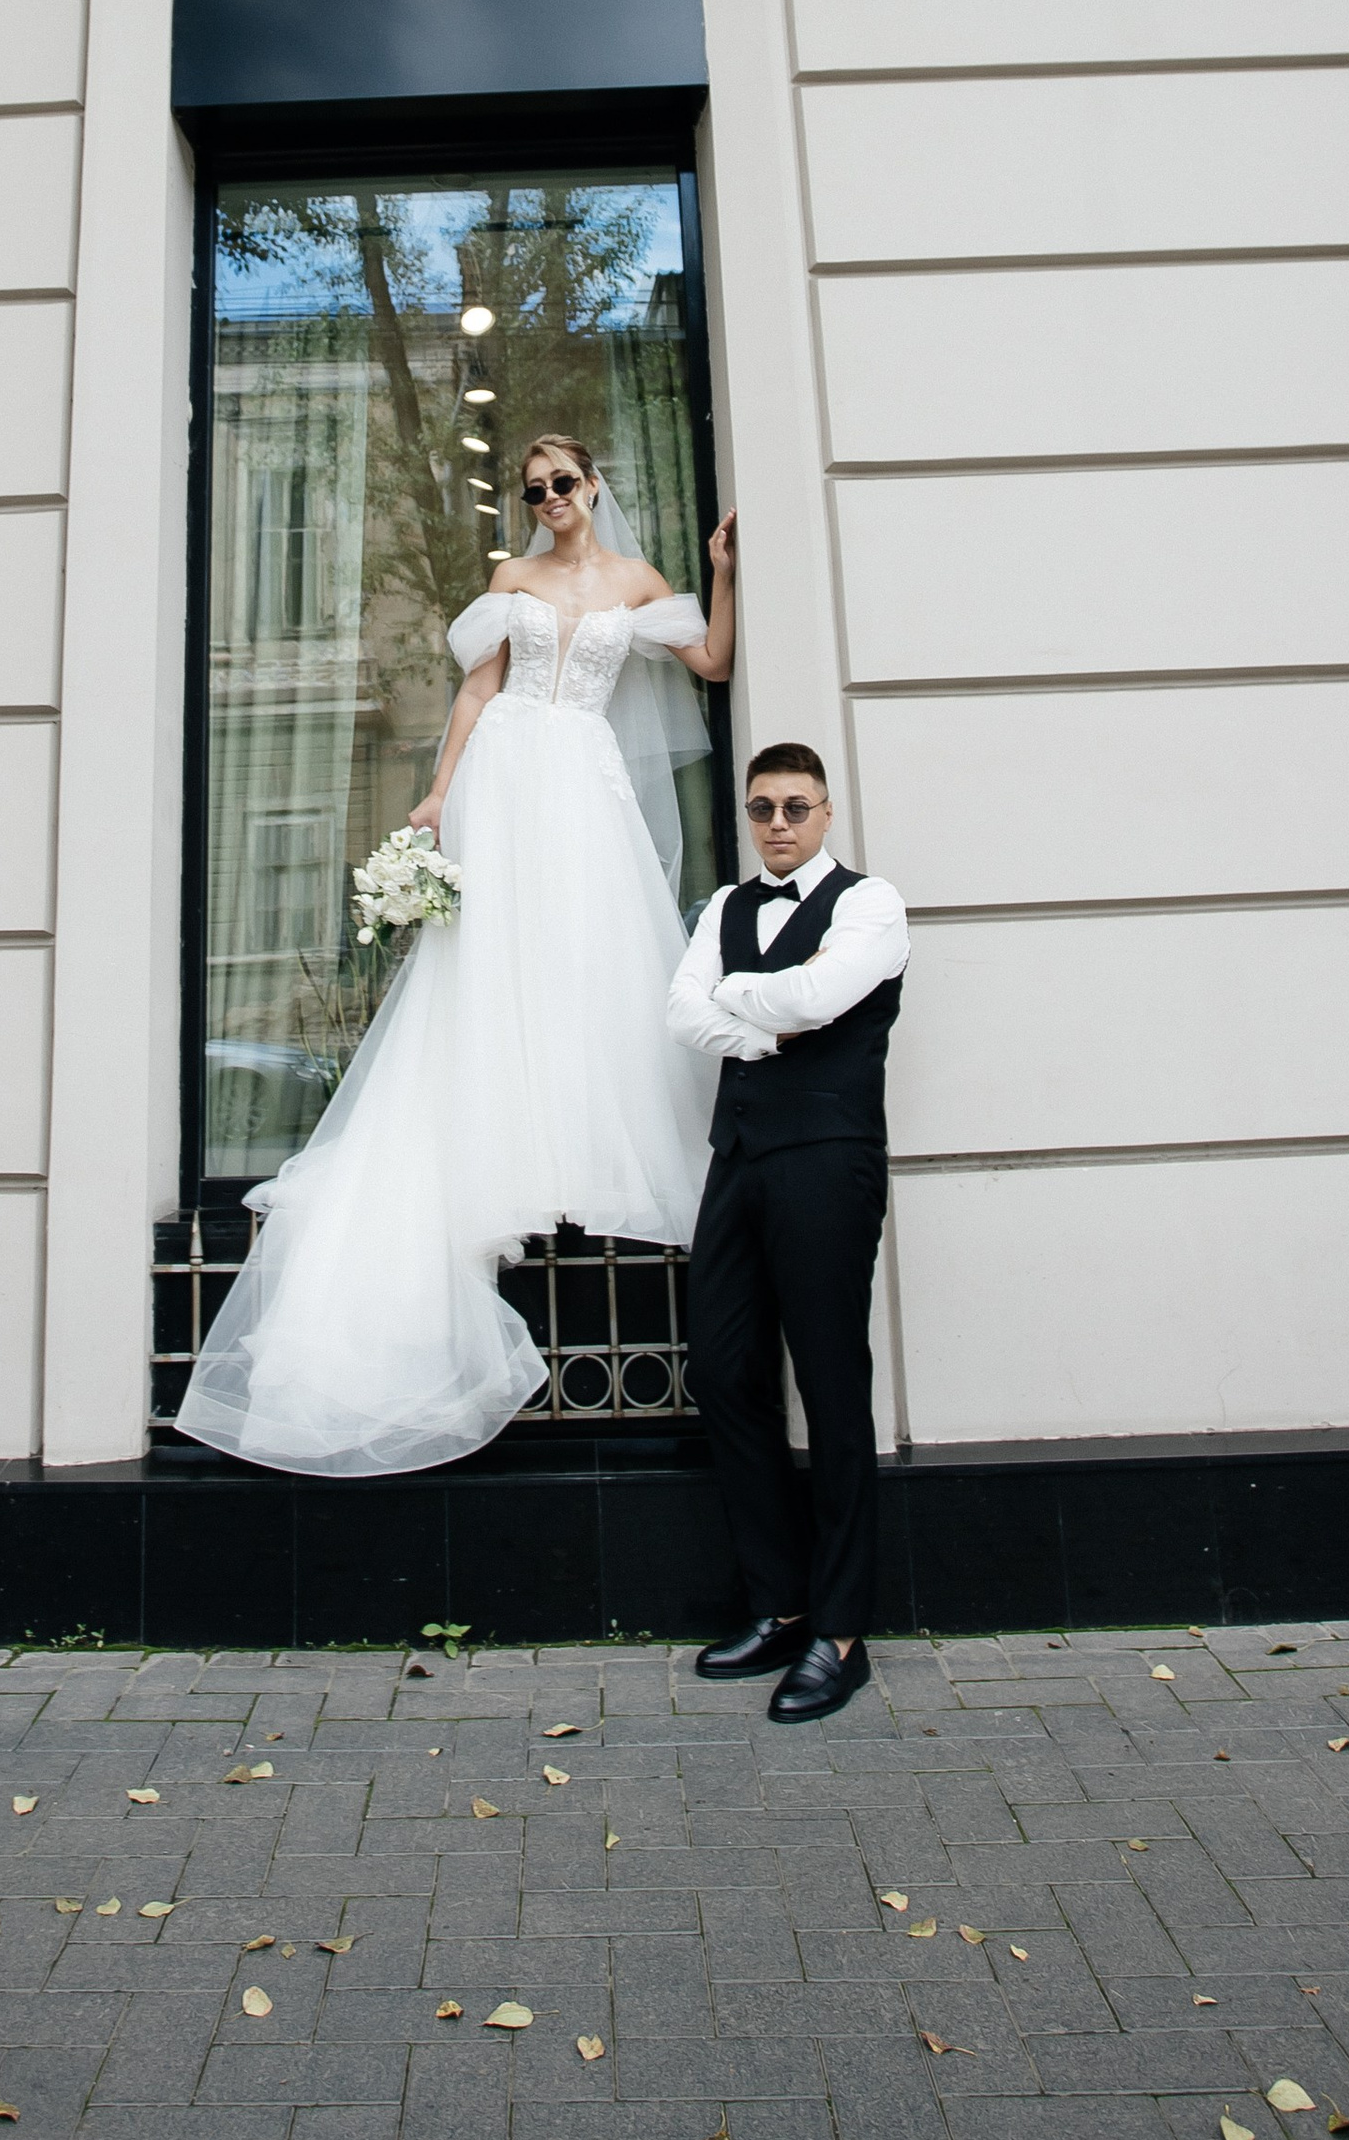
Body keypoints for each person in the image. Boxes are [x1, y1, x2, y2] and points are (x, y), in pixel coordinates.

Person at [176, 434, 738, 1478]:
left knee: (590, 954)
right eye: (533, 490)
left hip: (583, 775)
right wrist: (440, 792)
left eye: (564, 483)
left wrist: (720, 573)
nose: (550, 499)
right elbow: (478, 692)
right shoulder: (508, 578)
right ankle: (499, 1143)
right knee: (490, 959)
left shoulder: (636, 580)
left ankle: (578, 1143)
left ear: (594, 486)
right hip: (511, 768)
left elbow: (709, 663)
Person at [668, 743, 910, 1720]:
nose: (777, 823)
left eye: (794, 807)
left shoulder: (869, 904)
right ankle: (776, 1604)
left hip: (826, 1157)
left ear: (824, 812)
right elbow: (683, 1014)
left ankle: (840, 1633)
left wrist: (746, 997)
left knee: (829, 1380)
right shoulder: (723, 909)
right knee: (724, 1370)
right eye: (762, 807)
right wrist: (760, 1020)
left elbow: (824, 995)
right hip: (739, 1156)